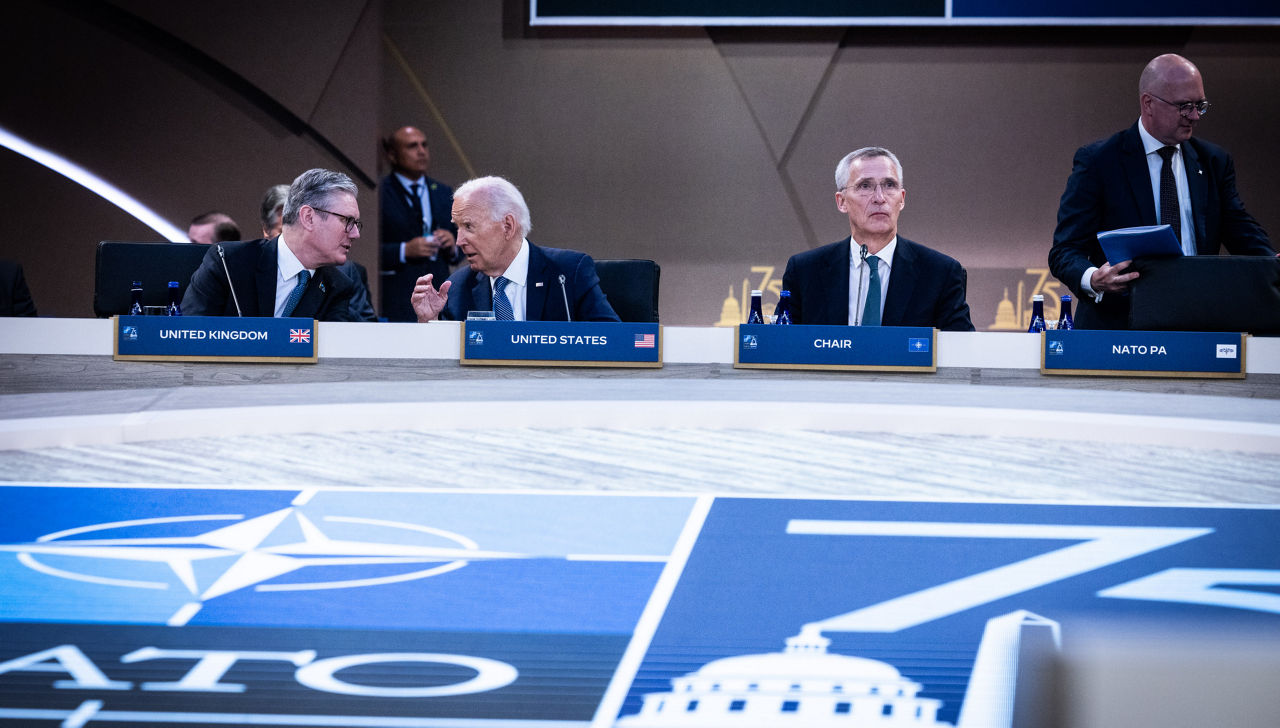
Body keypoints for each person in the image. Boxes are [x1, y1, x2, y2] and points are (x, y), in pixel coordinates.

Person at [1049, 53, 1274, 329]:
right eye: (1184, 106)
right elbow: (1064, 250)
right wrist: (1093, 278)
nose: (1194, 116)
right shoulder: (1100, 162)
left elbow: (1241, 230)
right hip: (1120, 327)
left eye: (1200, 105)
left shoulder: (1214, 162)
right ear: (1149, 103)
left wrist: (1271, 261)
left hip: (1198, 323)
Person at [776, 147, 973, 331]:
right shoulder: (805, 271)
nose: (879, 198)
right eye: (865, 186)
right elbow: (778, 348)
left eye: (889, 185)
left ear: (902, 198)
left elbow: (962, 354)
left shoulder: (940, 273)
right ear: (842, 201)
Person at [410, 176, 619, 323]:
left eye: (469, 227)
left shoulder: (568, 274)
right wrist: (430, 322)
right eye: (457, 228)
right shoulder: (456, 288)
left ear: (507, 226)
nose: (459, 241)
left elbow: (614, 341)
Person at [182, 169, 359, 320]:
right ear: (308, 217)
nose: (355, 234)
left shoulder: (337, 287)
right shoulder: (229, 262)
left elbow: (328, 356)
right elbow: (188, 335)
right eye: (347, 221)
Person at [260, 184, 376, 322]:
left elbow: (364, 330)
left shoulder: (341, 278)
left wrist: (326, 299)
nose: (355, 234)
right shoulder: (239, 265)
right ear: (266, 230)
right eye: (283, 231)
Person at [380, 126, 460, 322]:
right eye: (412, 146)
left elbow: (461, 241)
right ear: (392, 155)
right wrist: (404, 250)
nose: (421, 151)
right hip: (398, 295)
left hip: (440, 292)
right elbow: (364, 246)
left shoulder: (442, 191)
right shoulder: (380, 192)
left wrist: (452, 244)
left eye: (424, 145)